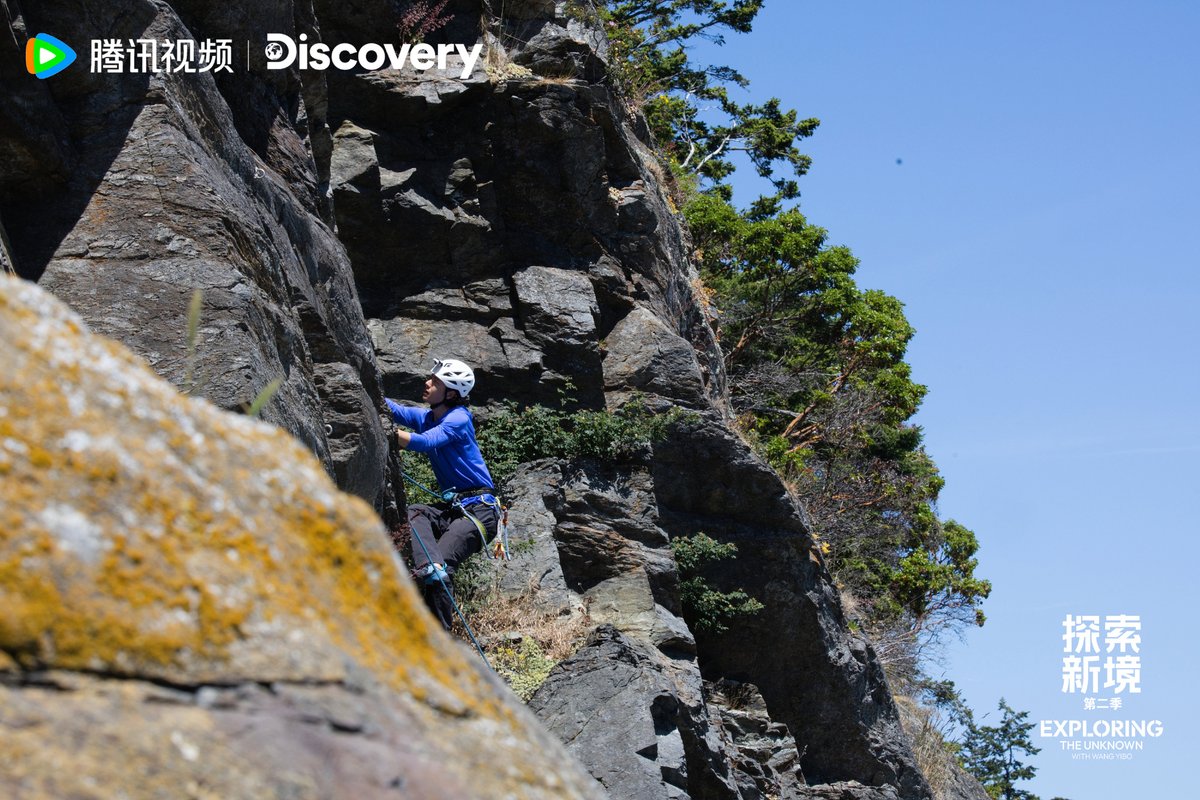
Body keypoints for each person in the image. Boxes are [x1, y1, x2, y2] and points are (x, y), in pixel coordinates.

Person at [386, 358, 499, 631]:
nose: (427, 383)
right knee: (414, 512)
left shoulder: (459, 418)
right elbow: (392, 408)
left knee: (442, 567)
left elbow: (426, 443)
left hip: (480, 510)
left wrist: (391, 434)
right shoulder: (428, 417)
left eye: (435, 382)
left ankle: (441, 642)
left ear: (450, 393)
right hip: (454, 508)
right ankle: (428, 569)